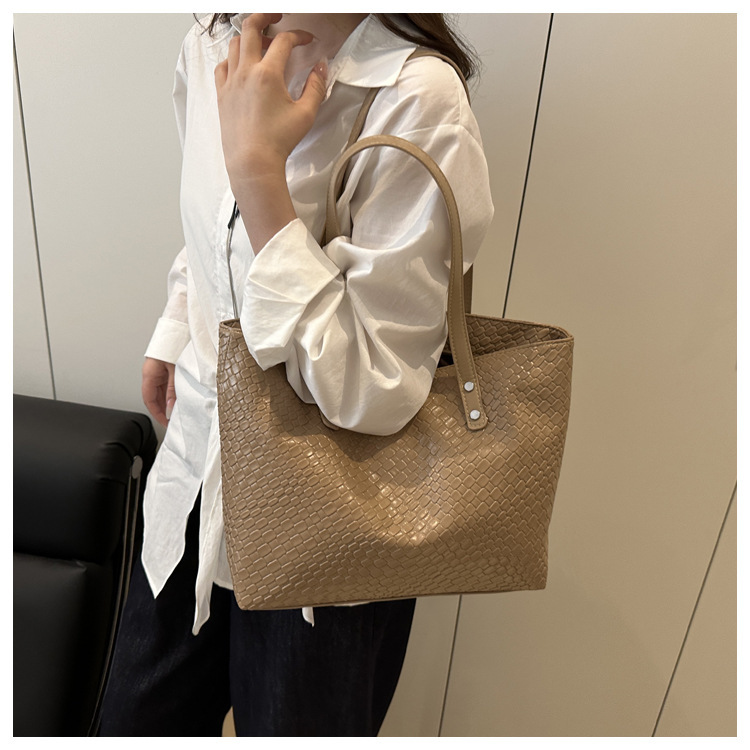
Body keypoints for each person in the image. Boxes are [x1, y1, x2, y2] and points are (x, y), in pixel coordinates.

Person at [98, 12, 493, 737]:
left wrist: (260, 176)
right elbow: (209, 229)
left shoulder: (414, 98)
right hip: (195, 478)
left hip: (330, 531)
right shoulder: (212, 41)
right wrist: (178, 324)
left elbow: (373, 385)